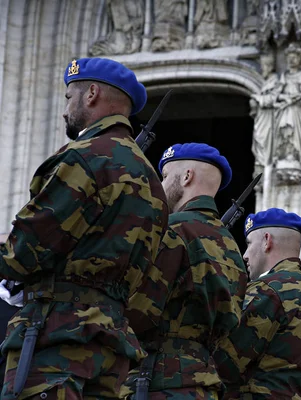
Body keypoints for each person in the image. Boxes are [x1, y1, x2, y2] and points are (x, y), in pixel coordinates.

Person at [0, 57, 169, 399]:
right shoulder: (153, 182)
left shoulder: (83, 157)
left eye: (68, 97)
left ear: (90, 93)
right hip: (112, 342)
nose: (65, 110)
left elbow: (24, 252)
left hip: (59, 336)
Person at [122, 143, 247, 398]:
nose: (161, 185)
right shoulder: (231, 246)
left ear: (187, 176)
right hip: (204, 380)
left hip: (157, 379)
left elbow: (139, 311)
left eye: (165, 177)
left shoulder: (173, 230)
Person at [213, 208, 301, 399]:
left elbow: (225, 361)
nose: (244, 255)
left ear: (266, 241)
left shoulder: (268, 290)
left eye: (249, 244)